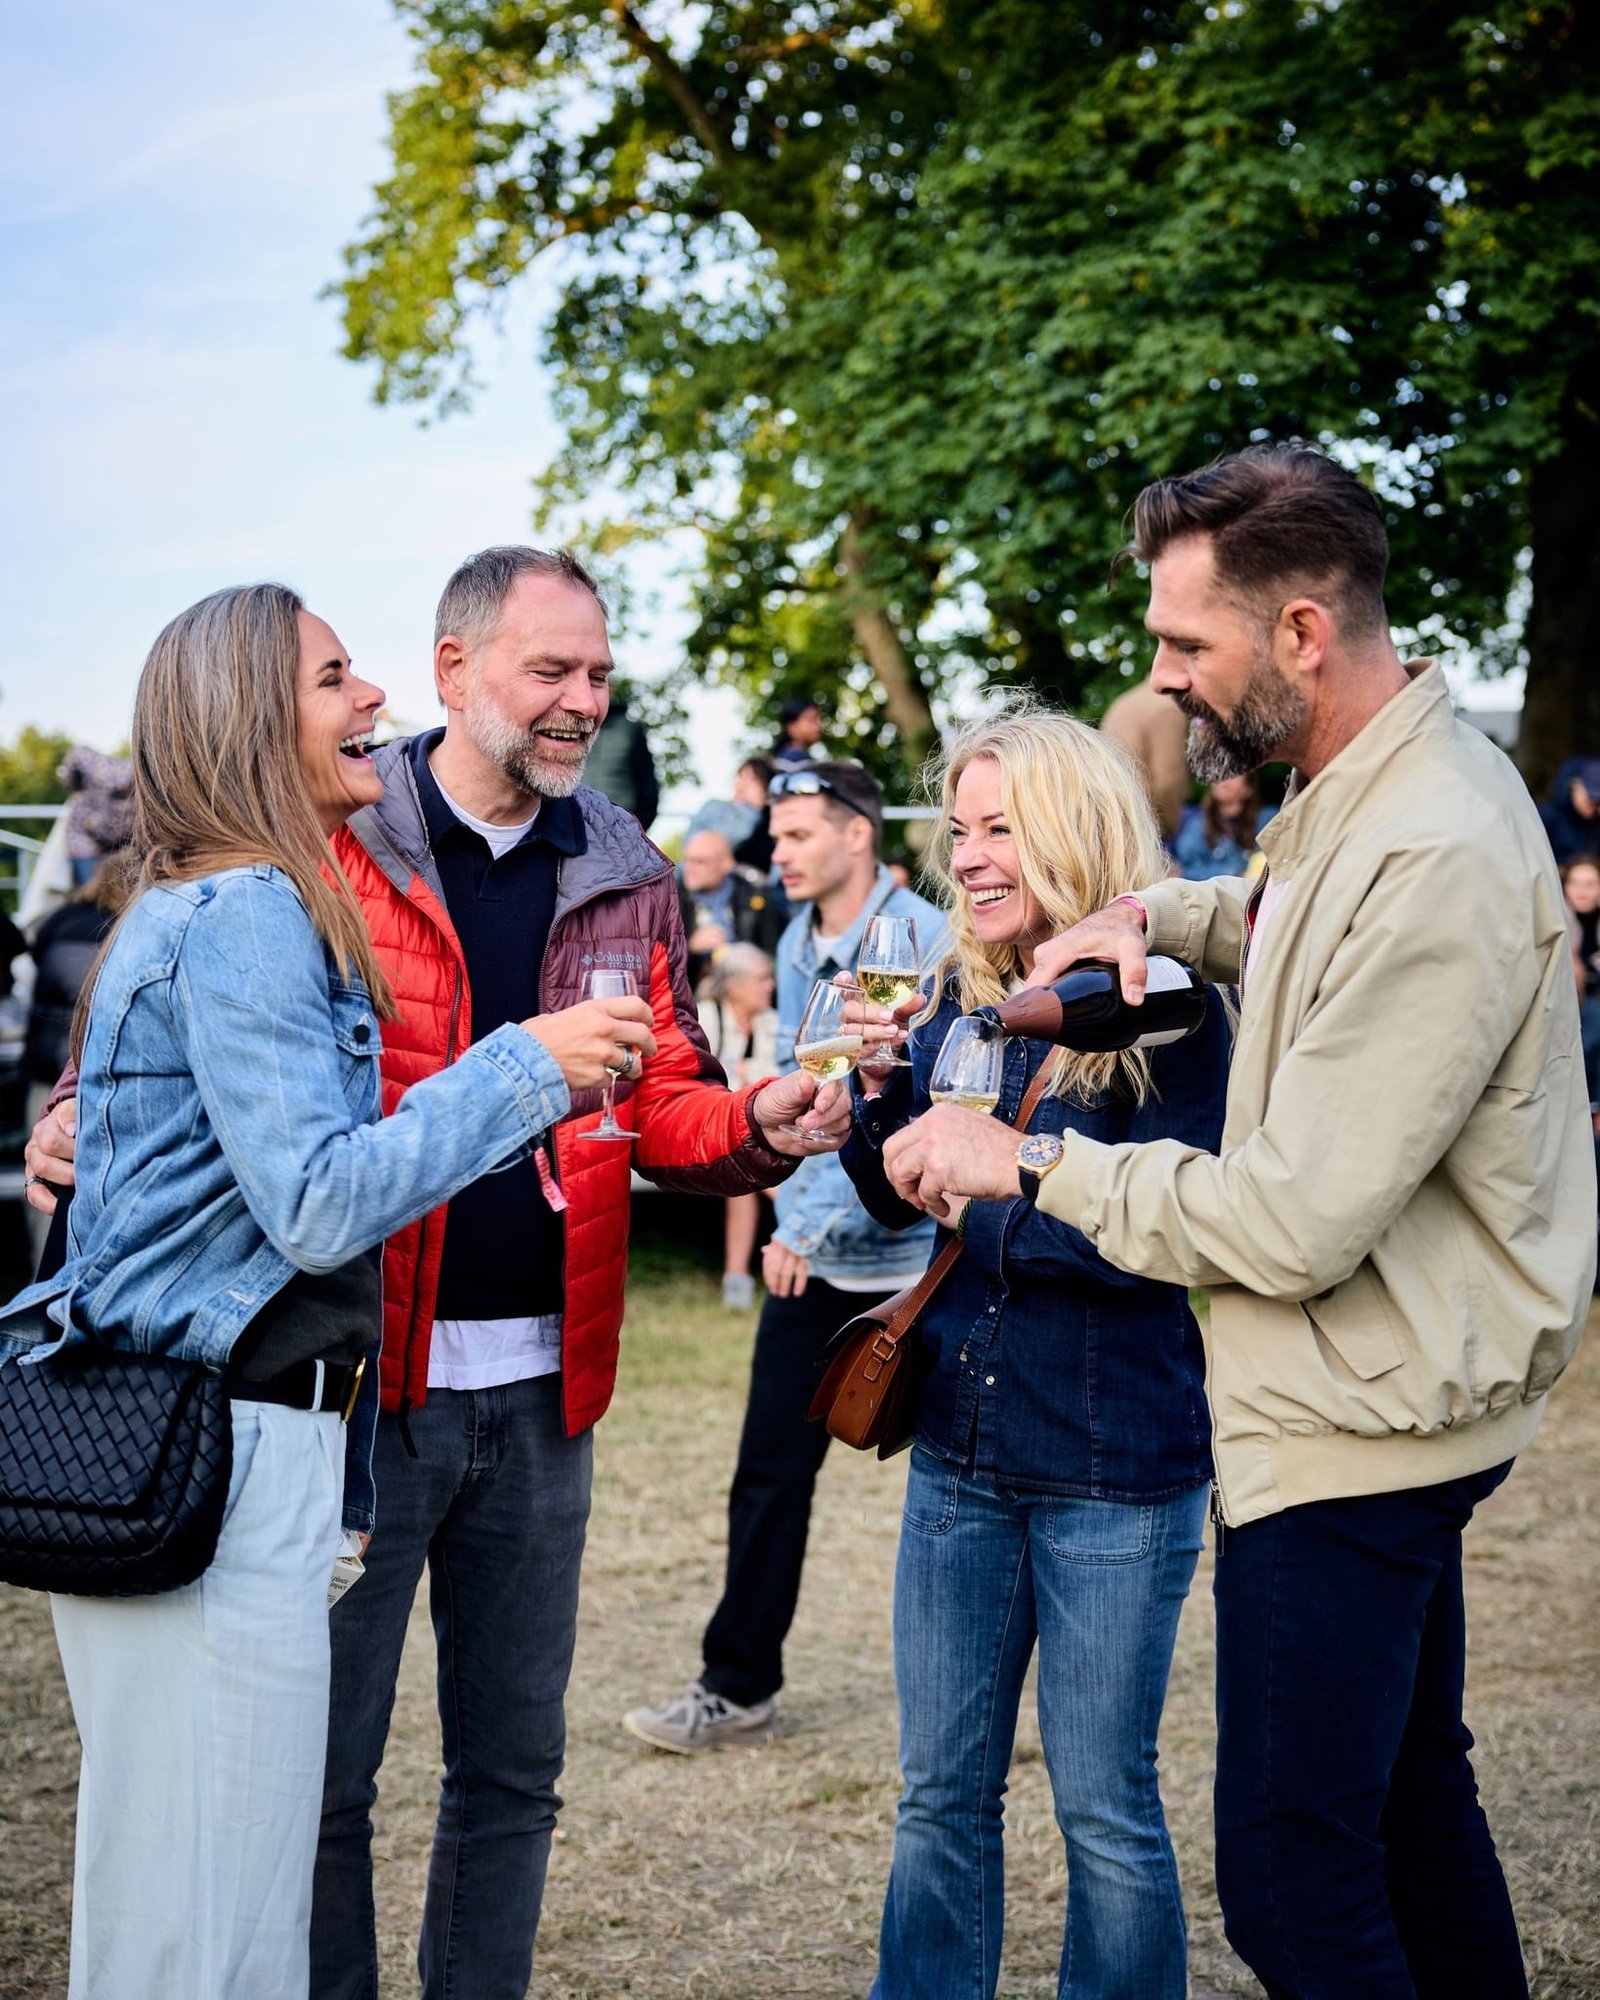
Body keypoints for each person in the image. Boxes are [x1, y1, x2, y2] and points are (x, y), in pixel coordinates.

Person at [24, 547, 850, 2000]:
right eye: (552, 670)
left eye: (601, 674)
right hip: (352, 1391)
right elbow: (208, 1068)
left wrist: (756, 1128)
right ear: (457, 669)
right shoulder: (319, 841)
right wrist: (83, 1112)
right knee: (311, 1785)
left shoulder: (625, 864)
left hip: (543, 1384)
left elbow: (658, 1095)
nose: (583, 700)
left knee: (511, 1772)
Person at [880, 445, 1596, 1999]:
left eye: (1184, 642)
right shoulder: (1359, 789)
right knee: (1411, 1815)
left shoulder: (1434, 845)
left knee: (1291, 1891)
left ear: (1299, 636)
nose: (1160, 676)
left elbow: (1289, 1222)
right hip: (1374, 1395)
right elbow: (1289, 930)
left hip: (1358, 1423)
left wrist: (1027, 1166)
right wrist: (1161, 916)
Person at [836, 708, 1230, 2000]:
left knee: (1103, 1807)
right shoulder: (961, 992)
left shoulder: (1170, 1009)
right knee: (937, 1795)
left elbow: (1157, 1243)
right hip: (958, 1451)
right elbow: (899, 1195)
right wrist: (874, 1101)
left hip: (1117, 1468)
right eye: (960, 829)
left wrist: (985, 1194)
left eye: (1000, 827)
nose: (969, 856)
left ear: (1072, 830)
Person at [624, 760, 948, 1752]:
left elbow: (911, 1112)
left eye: (800, 833)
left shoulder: (922, 941)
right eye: (776, 835)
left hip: (926, 1266)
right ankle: (737, 1685)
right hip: (817, 1253)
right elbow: (812, 1104)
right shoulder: (798, 940)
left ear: (859, 833)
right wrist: (790, 1225)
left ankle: (967, 1708)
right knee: (768, 1473)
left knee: (960, 1496)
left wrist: (798, 1230)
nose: (780, 853)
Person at [696, 943, 780, 1307]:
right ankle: (807, 1228)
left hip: (749, 1126)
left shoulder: (770, 1021)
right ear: (734, 986)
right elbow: (694, 1081)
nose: (770, 986)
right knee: (746, 1159)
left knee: (745, 1169)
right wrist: (747, 1078)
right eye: (761, 979)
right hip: (704, 1124)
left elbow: (781, 1078)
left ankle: (736, 1278)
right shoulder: (704, 1017)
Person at [677, 826, 784, 988]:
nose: (689, 868)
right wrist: (689, 948)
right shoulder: (669, 898)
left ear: (727, 863)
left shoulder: (756, 894)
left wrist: (742, 957)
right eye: (687, 860)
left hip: (748, 988)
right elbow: (654, 963)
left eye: (700, 862)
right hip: (692, 990)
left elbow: (775, 953)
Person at [1099, 675, 1190, 838]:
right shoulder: (1167, 709)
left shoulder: (1124, 702)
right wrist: (1169, 828)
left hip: (1110, 822)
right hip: (1142, 827)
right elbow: (1168, 782)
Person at [581, 684, 660, 829]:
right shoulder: (568, 727)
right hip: (576, 825)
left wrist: (637, 829)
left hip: (623, 824)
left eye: (598, 680)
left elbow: (648, 787)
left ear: (610, 688)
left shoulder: (630, 729)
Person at [1171, 772, 1276, 880]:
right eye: (1219, 771)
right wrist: (1235, 874)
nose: (1223, 778)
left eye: (1233, 772)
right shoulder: (1196, 825)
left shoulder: (1268, 820)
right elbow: (1187, 869)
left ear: (1248, 788)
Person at [57, 744, 135, 888]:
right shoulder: (102, 775)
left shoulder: (127, 784)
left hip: (111, 846)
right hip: (87, 845)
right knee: (92, 890)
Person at [1539, 753, 1600, 866]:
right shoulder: (1548, 818)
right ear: (1573, 786)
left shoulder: (1595, 825)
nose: (1594, 803)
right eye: (1590, 797)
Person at [772, 695, 825, 767]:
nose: (818, 725)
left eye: (820, 719)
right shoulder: (791, 762)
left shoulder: (781, 759)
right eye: (811, 719)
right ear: (791, 726)